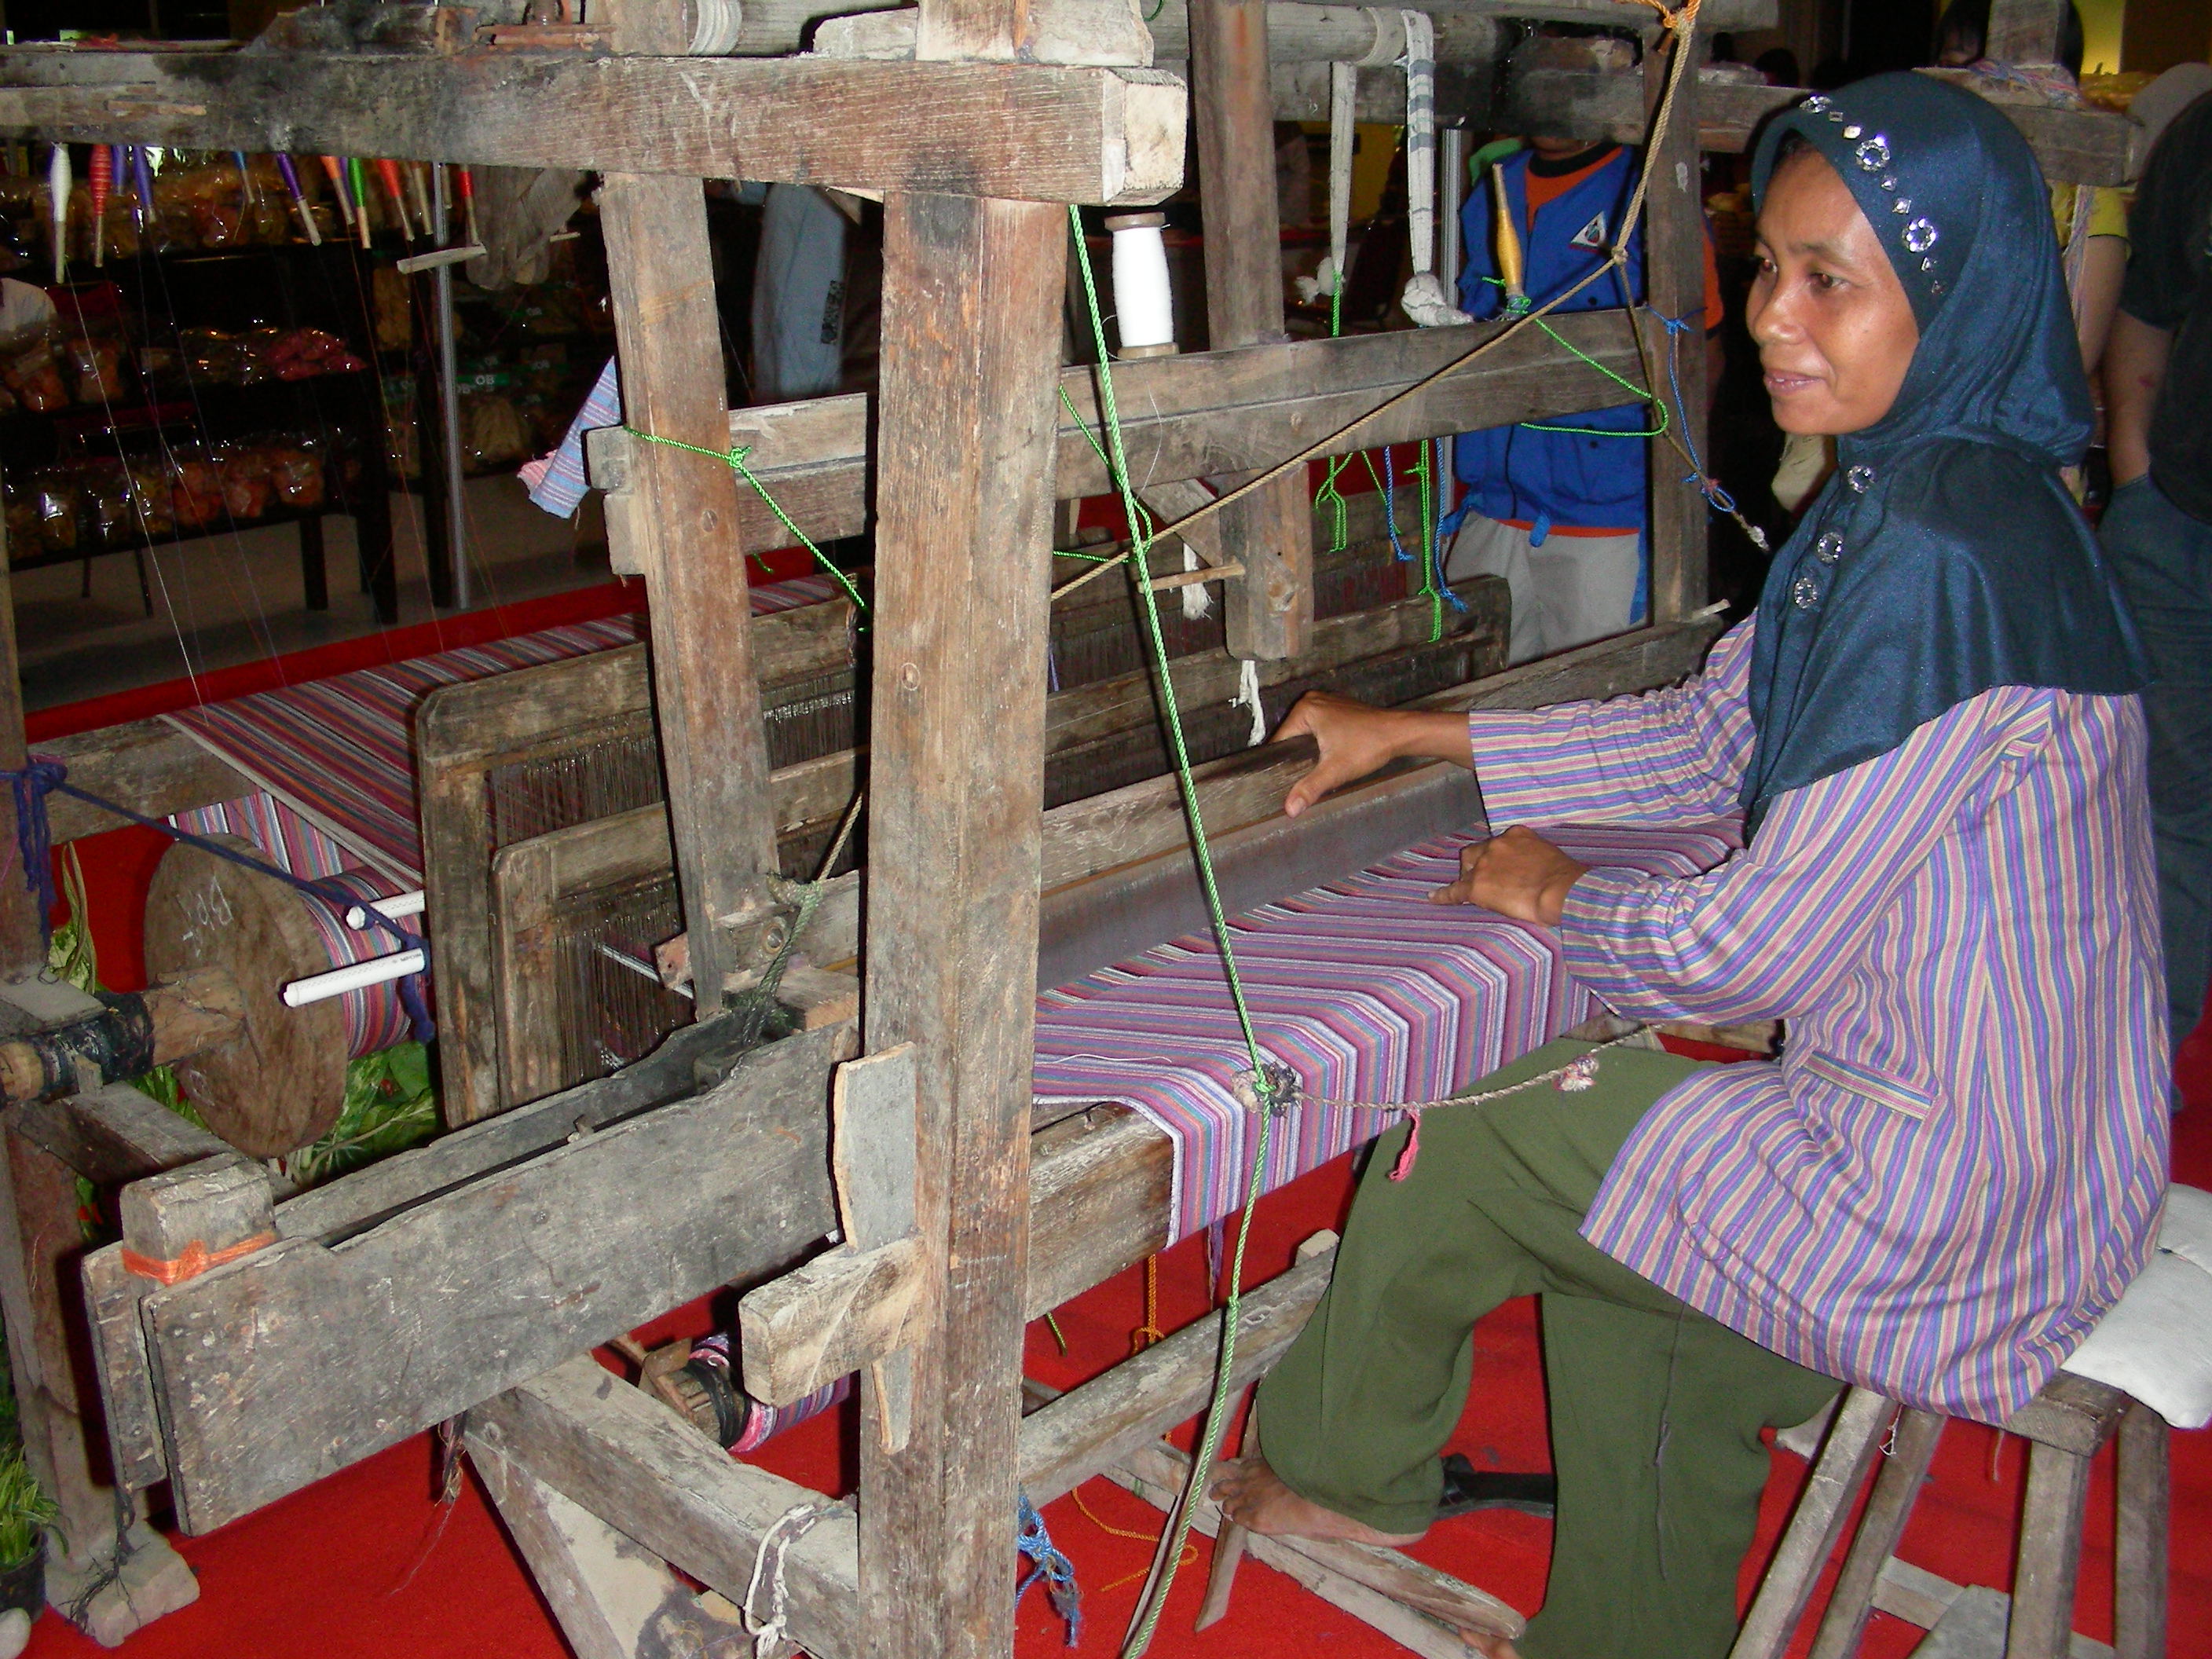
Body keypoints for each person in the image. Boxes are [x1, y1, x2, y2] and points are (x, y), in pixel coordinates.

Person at [1214, 75, 2168, 1658]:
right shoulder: (1933, 499)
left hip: (1943, 1193)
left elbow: (1749, 959)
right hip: (2049, 1156)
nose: (1771, 317)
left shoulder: (1935, 560)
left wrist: (1555, 897)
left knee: (1479, 1122)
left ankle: (1340, 1470)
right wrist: (1412, 737)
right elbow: (1712, 742)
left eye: (1829, 282)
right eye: (1768, 266)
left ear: (1951, 293)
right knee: (1640, 1258)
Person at [1443, 129, 1723, 665]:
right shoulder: (1493, 190)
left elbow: (1702, 353)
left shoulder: (1651, 192)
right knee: (1474, 709)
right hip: (1492, 509)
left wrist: (1676, 473)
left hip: (1606, 525)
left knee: (1597, 716)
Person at [2102, 78, 2212, 1064]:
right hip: (2178, 526)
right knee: (2167, 814)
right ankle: (2145, 1074)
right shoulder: (2204, 136)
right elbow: (2145, 317)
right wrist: (2135, 486)